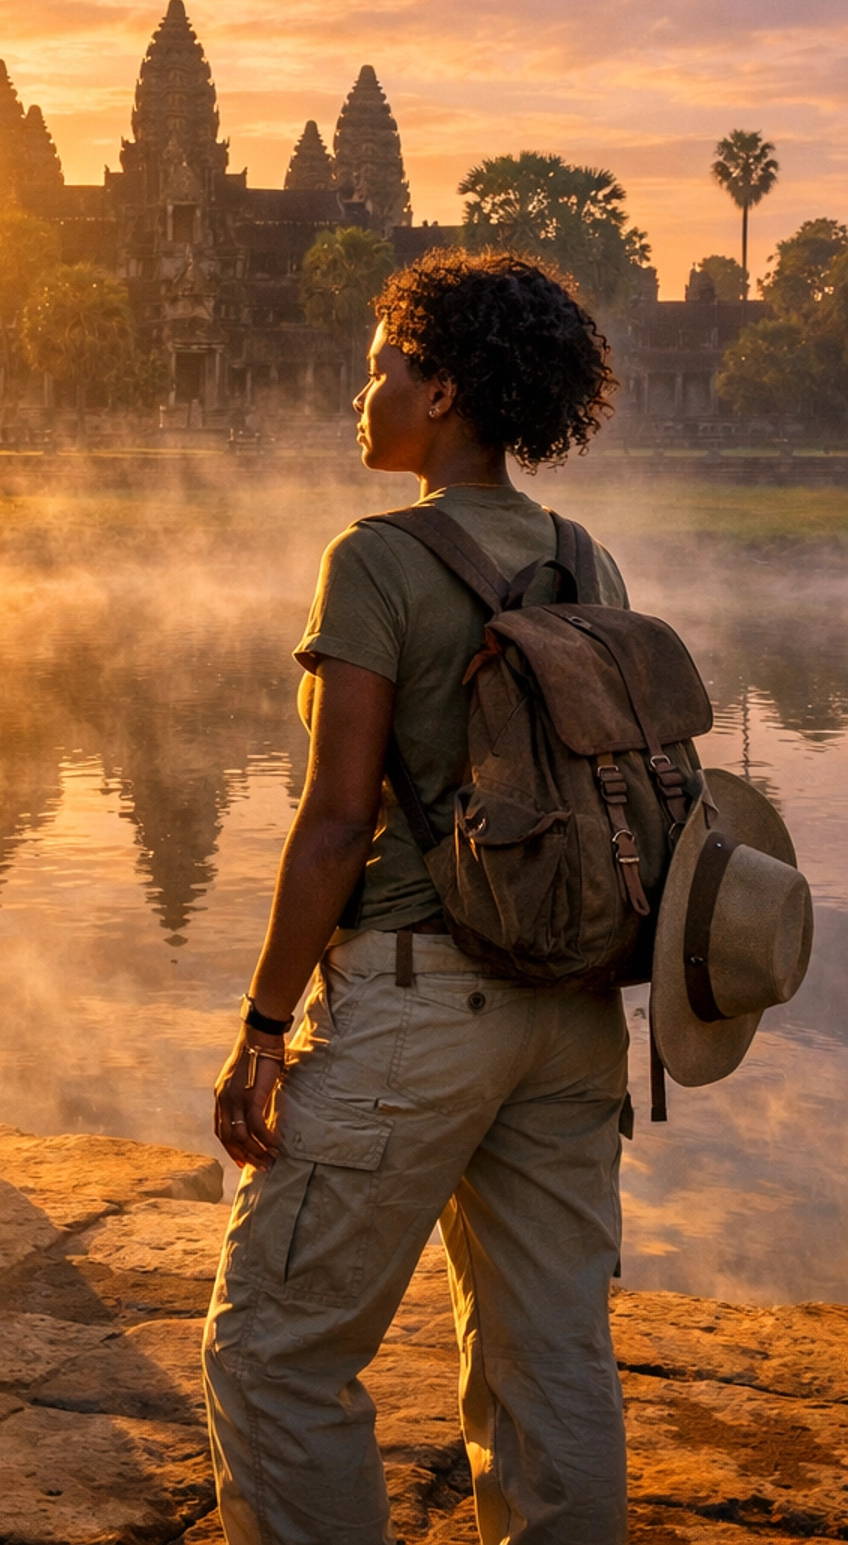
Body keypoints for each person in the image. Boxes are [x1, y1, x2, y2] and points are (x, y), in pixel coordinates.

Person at [203, 250, 630, 1545]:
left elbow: (337, 824)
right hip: (572, 1015)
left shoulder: (376, 561)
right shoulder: (585, 559)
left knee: (273, 1355)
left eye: (386, 361)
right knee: (547, 1361)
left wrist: (265, 1025)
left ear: (440, 391)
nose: (366, 386)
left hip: (420, 1004)